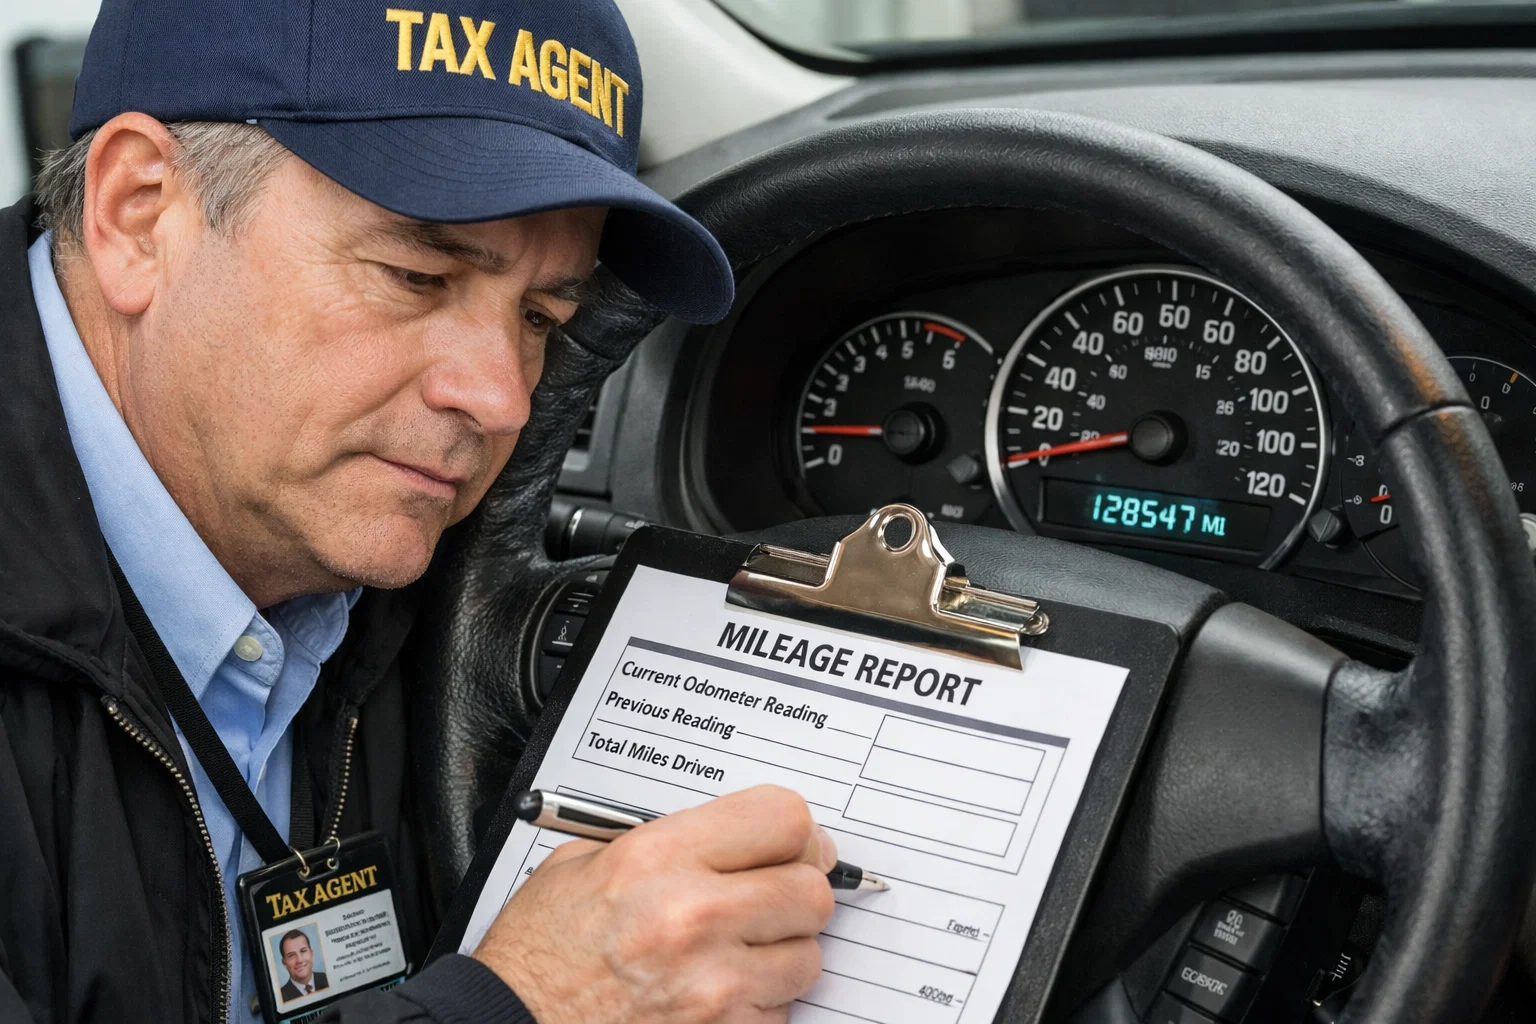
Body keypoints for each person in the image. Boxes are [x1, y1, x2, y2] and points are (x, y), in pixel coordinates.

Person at [0, 1, 840, 1022]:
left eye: (541, 318)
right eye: (417, 275)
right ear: (139, 213)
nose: (501, 399)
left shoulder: (401, 561)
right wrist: (529, 1002)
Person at [279, 932, 331, 1002]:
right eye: (291, 955)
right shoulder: (281, 998)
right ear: (284, 963)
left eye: (303, 951)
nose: (299, 960)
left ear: (311, 953)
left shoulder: (329, 979)